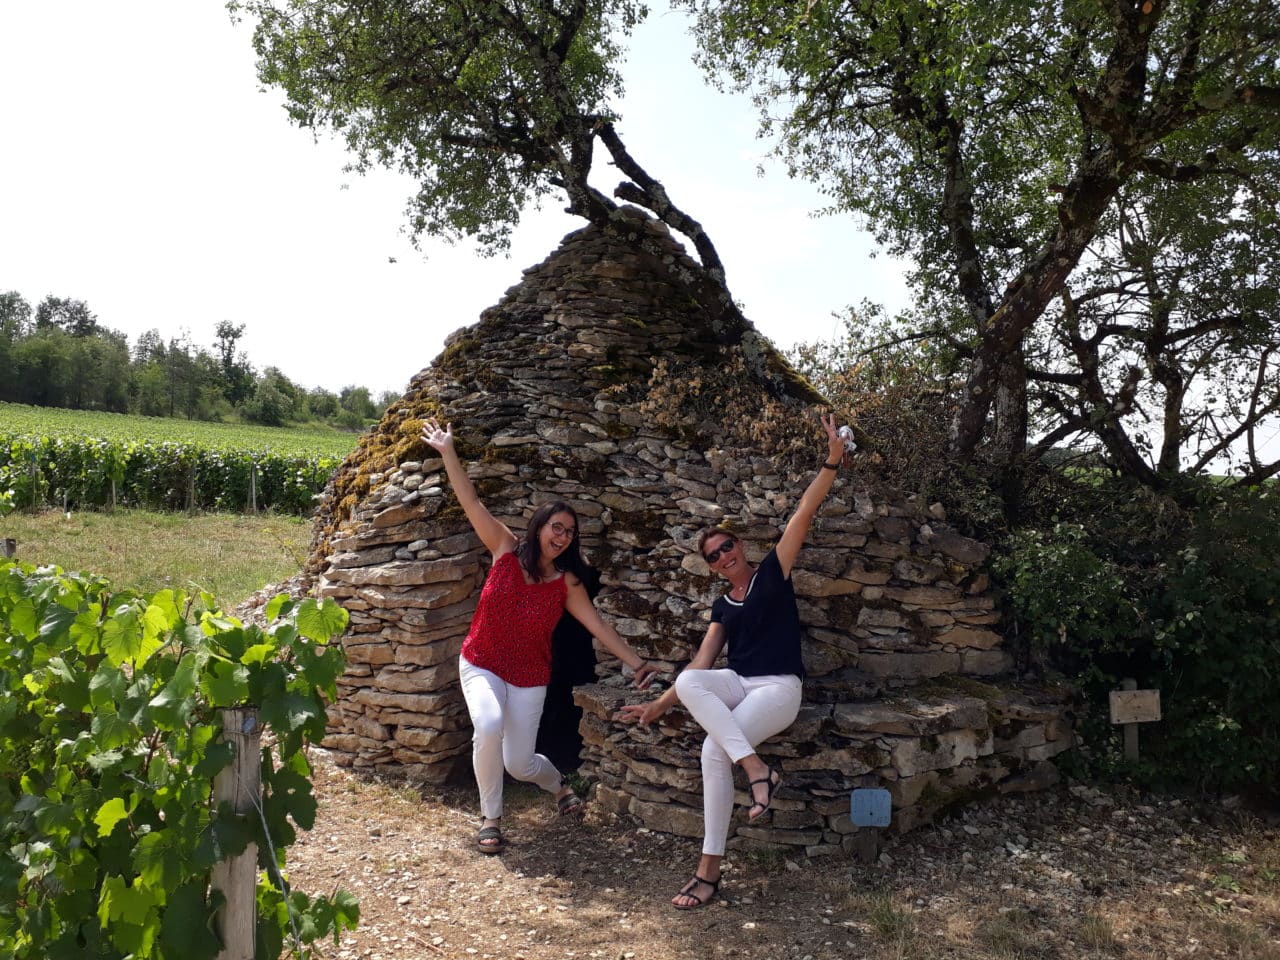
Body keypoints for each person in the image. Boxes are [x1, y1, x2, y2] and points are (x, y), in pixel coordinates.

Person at [619, 413, 846, 909]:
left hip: (779, 689)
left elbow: (803, 514)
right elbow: (702, 662)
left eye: (726, 547)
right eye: (713, 556)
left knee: (709, 752)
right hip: (740, 684)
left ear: (740, 545)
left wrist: (831, 459)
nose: (723, 557)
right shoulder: (723, 604)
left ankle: (709, 869)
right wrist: (659, 705)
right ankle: (757, 770)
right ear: (711, 566)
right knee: (693, 679)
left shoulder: (773, 572)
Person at [422, 418, 659, 854]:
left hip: (530, 675)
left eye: (569, 532)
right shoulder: (504, 548)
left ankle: (559, 786)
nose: (562, 536)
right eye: (557, 526)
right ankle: (491, 818)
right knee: (488, 726)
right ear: (540, 525)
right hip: (482, 661)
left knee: (520, 762)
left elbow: (599, 626)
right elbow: (470, 500)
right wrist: (448, 451)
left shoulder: (566, 583)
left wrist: (636, 663)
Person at [535, 564, 602, 773]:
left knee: (560, 696)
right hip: (559, 647)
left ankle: (553, 758)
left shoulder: (570, 579)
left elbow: (598, 625)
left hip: (573, 646)